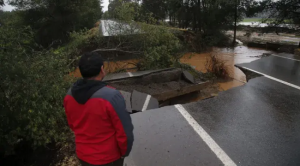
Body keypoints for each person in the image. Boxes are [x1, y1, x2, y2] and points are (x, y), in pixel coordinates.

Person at [64, 52, 134, 166]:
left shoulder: (69, 95)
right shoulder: (112, 96)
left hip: (83, 156)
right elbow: (124, 133)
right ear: (102, 69)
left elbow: (72, 124)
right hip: (108, 158)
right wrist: (124, 153)